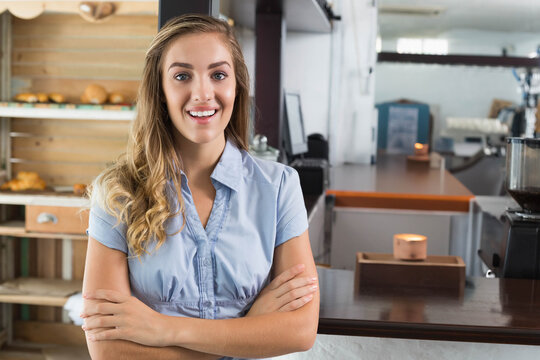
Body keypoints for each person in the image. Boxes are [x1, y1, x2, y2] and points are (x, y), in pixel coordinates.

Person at [81, 14, 319, 360]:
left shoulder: (280, 187)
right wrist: (249, 328)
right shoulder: (117, 193)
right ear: (160, 91)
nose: (203, 93)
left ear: (237, 86)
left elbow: (298, 331)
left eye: (218, 75)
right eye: (181, 76)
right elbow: (109, 350)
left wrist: (164, 330)